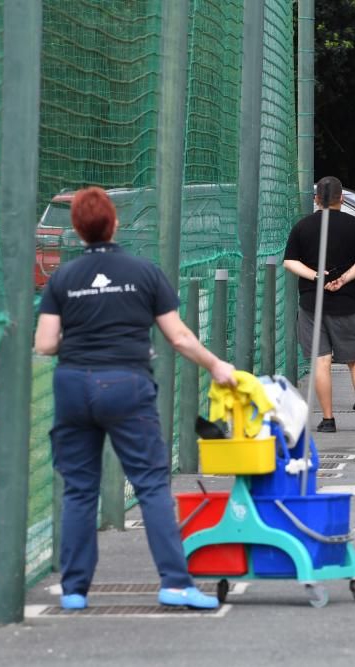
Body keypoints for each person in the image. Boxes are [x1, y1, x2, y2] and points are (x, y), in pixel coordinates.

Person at [34, 187, 235, 611]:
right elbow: (178, 336)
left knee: (79, 490)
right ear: (115, 223)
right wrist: (217, 366)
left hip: (73, 385)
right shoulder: (143, 272)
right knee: (150, 485)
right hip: (126, 384)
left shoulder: (63, 279)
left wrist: (82, 333)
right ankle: (175, 583)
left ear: (76, 229)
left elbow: (46, 343)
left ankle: (73, 591)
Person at [283, 176, 355, 433]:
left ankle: (328, 419)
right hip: (346, 302)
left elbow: (290, 262)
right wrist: (344, 278)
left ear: (316, 199)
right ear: (342, 198)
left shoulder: (302, 227)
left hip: (310, 302)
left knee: (321, 361)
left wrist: (315, 276)